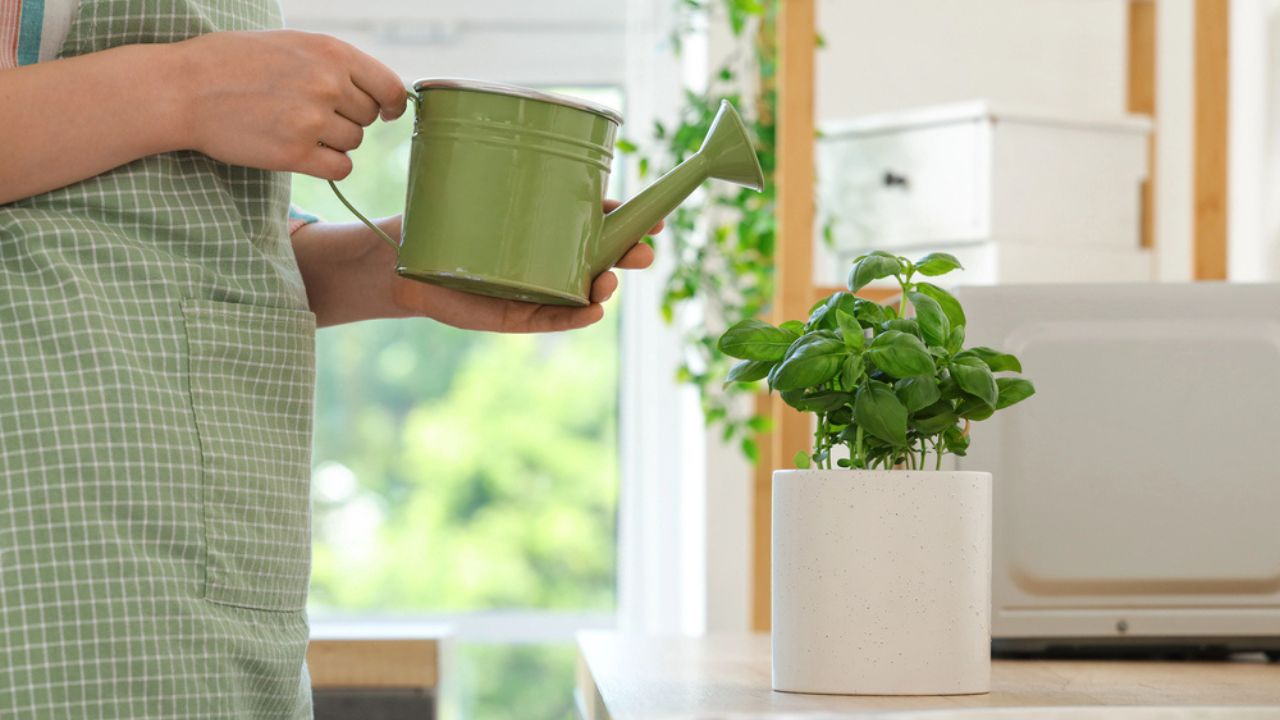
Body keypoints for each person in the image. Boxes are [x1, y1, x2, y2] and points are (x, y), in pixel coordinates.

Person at [0, 3, 657, 718]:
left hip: (213, 548)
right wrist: (185, 88)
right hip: (56, 514)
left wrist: (400, 268)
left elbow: (163, 232)